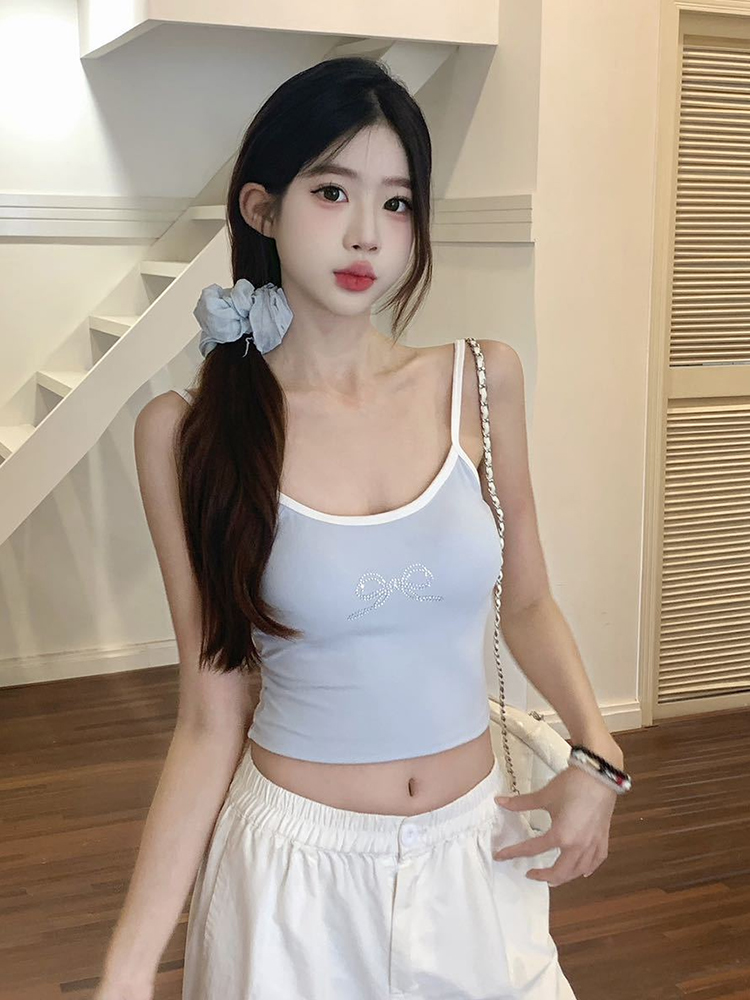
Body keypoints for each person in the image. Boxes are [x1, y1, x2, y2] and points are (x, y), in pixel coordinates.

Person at [95, 56, 627, 1000]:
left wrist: (599, 753)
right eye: (332, 190)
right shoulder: (185, 434)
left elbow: (529, 601)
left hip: (474, 852)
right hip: (294, 877)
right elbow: (210, 715)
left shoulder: (481, 381)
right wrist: (128, 971)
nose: (365, 234)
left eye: (397, 203)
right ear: (262, 208)